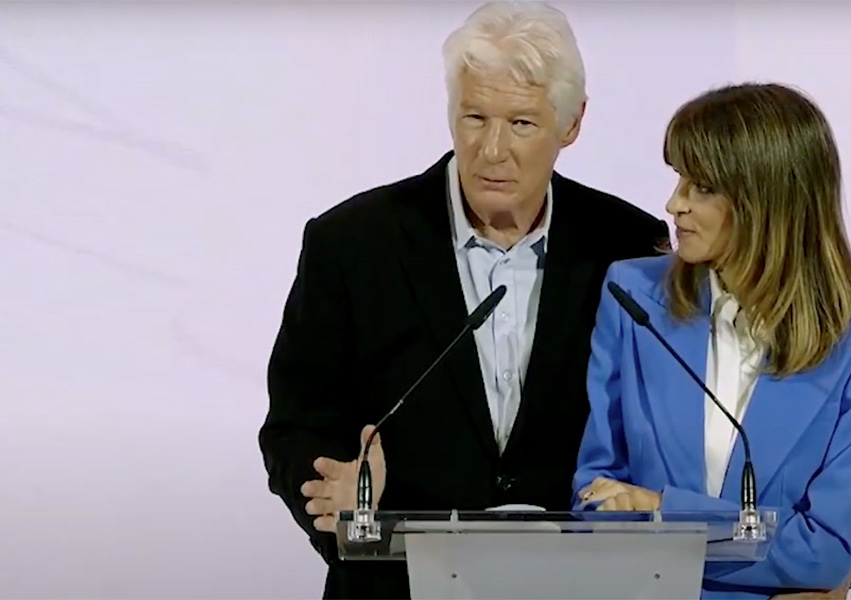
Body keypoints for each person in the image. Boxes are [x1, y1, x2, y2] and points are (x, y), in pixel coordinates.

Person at [258, 2, 672, 598]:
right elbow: (296, 424)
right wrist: (337, 493)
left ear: (572, 124)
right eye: (474, 117)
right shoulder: (352, 244)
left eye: (523, 124)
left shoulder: (631, 248)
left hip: (580, 583)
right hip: (397, 583)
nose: (492, 150)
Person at [573, 82, 851, 599]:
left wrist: (660, 509)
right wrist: (749, 541)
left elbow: (824, 554)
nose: (673, 204)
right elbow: (594, 495)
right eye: (679, 180)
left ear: (767, 200)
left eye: (700, 187)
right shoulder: (632, 295)